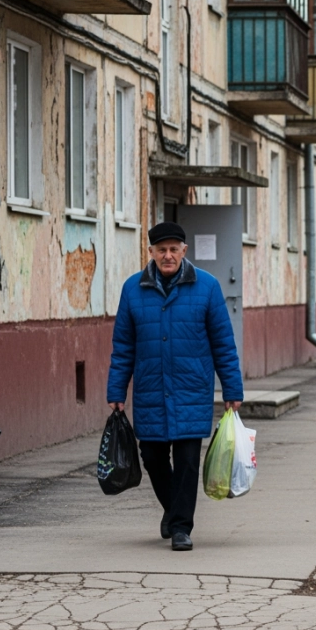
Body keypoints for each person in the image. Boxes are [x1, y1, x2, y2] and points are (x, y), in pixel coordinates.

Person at [107, 222, 243, 552]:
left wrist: (232, 390)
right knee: (151, 455)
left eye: (173, 249)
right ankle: (173, 507)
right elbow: (123, 345)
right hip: (151, 388)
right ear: (151, 252)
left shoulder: (207, 287)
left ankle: (181, 526)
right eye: (161, 250)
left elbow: (223, 342)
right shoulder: (132, 289)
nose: (167, 255)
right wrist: (116, 391)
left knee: (186, 461)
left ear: (184, 251)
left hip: (191, 387)